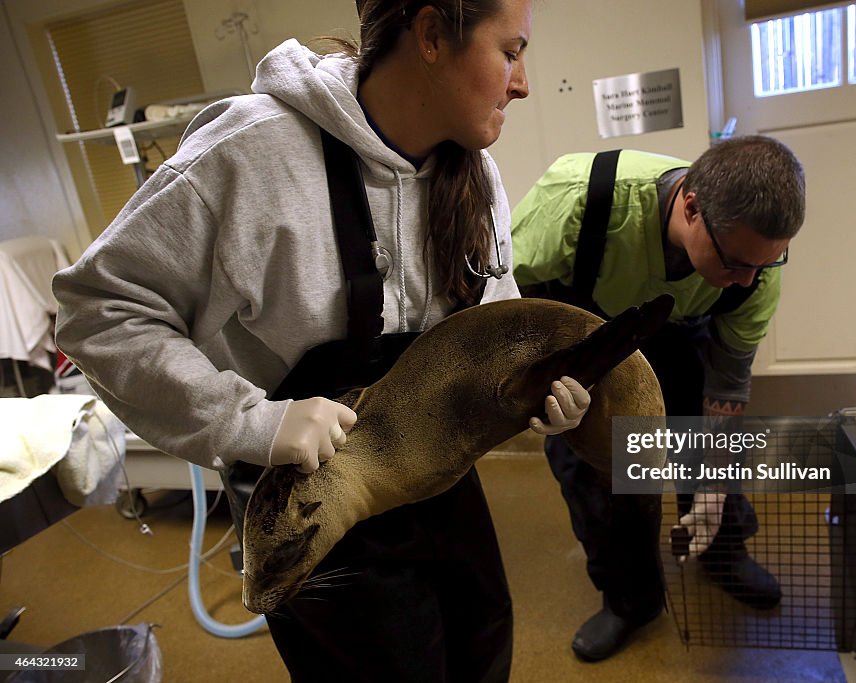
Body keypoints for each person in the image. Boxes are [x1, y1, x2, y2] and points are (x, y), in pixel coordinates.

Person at [52, 1, 593, 681]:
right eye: (509, 52)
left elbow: (493, 321)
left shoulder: (475, 176)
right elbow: (98, 311)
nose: (522, 83)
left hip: (434, 481)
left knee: (482, 644)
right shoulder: (251, 154)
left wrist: (530, 387)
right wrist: (253, 421)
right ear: (430, 36)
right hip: (306, 501)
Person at [511, 136, 806, 662]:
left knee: (708, 444)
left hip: (678, 326)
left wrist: (713, 475)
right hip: (584, 334)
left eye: (767, 264)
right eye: (738, 263)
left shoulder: (755, 265)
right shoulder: (576, 200)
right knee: (598, 472)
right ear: (691, 206)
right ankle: (631, 599)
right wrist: (539, 384)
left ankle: (721, 547)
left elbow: (727, 379)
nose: (750, 279)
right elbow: (505, 299)